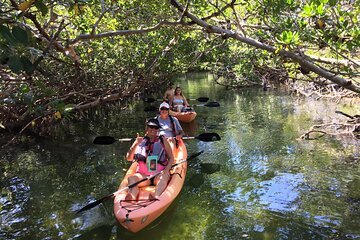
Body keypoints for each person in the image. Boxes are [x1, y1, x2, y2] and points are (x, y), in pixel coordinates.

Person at [125, 118, 175, 200]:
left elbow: (171, 158)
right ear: (146, 128)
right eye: (151, 127)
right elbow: (129, 158)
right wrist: (136, 143)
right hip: (143, 176)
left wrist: (166, 170)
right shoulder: (139, 141)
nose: (154, 129)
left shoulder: (162, 140)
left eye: (156, 128)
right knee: (131, 178)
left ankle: (156, 195)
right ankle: (132, 196)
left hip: (158, 175)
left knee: (164, 176)